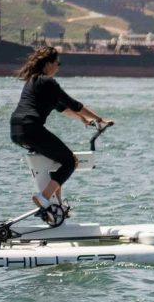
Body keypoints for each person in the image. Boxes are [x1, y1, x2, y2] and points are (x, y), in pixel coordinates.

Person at [10, 47, 112, 217]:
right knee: (70, 161)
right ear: (48, 64)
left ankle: (57, 206)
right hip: (31, 127)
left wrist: (82, 118)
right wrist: (100, 119)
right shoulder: (48, 82)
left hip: (17, 130)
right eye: (58, 63)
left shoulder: (34, 81)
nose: (58, 67)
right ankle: (43, 197)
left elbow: (62, 108)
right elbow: (73, 104)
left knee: (57, 162)